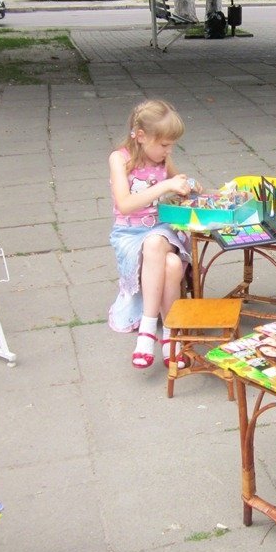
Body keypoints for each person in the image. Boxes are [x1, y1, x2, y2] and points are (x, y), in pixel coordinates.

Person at [107, 99, 193, 369]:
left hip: (159, 230)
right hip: (129, 233)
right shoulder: (119, 159)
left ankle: (148, 332)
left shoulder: (163, 157)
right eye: (165, 144)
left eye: (171, 145)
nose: (169, 150)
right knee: (172, 263)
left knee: (156, 242)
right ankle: (168, 333)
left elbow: (180, 181)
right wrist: (165, 186)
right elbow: (125, 204)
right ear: (142, 136)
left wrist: (189, 185)